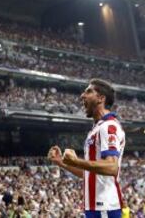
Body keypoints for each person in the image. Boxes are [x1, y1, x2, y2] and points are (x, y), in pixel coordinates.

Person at [48, 78, 126, 218]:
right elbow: (89, 174)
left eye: (88, 92)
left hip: (104, 207)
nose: (82, 96)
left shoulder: (108, 126)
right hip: (95, 207)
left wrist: (77, 161)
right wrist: (61, 162)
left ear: (101, 98)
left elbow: (112, 167)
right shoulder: (96, 129)